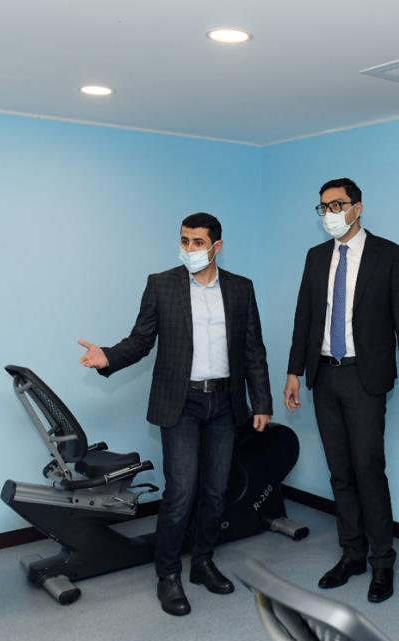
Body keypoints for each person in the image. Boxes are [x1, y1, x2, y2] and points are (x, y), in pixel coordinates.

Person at [77, 212, 272, 617]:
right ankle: (168, 575)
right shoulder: (161, 284)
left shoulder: (240, 288)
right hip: (180, 403)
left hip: (225, 403)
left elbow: (253, 348)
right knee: (181, 491)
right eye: (184, 241)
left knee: (216, 491)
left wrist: (262, 402)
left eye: (198, 242)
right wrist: (108, 357)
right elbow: (141, 340)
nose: (189, 249)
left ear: (216, 247)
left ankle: (202, 561)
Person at [284, 177, 399, 603]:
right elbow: (304, 317)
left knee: (367, 469)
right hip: (324, 375)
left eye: (337, 205)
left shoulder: (388, 255)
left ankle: (383, 561)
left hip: (365, 377)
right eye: (323, 207)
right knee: (340, 471)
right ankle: (352, 554)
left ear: (357, 208)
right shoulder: (316, 257)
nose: (330, 213)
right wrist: (293, 371)